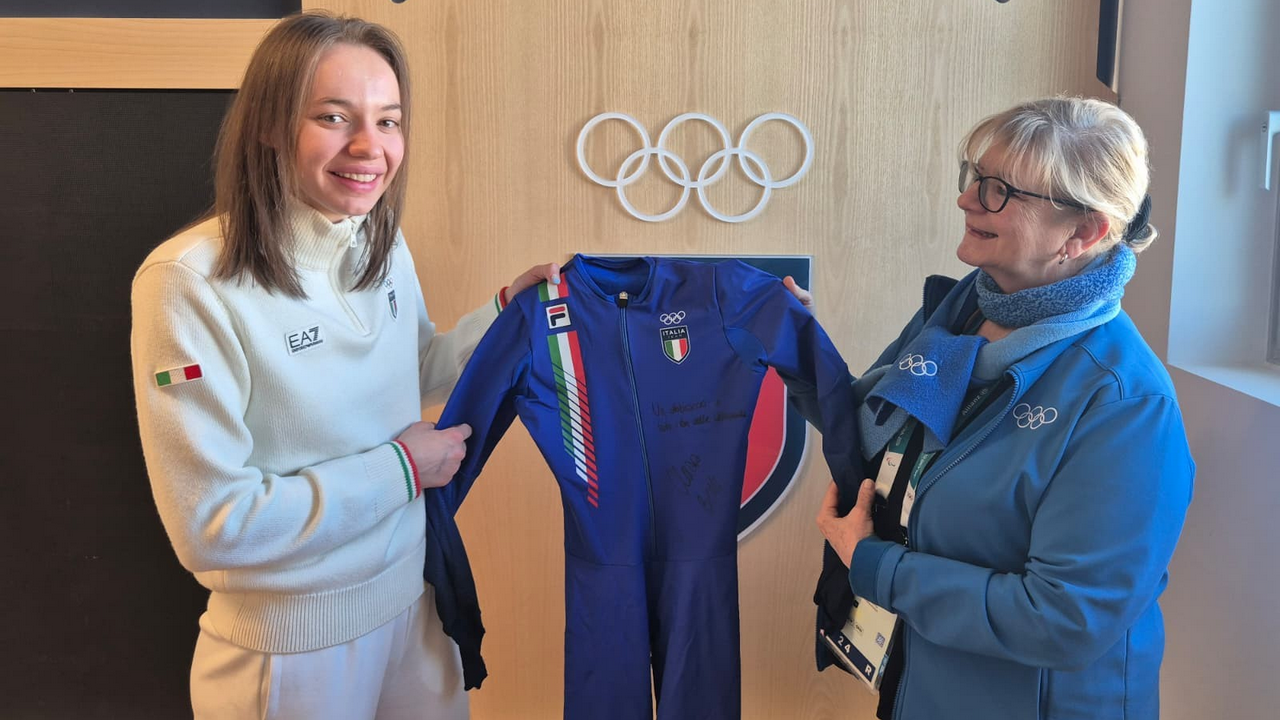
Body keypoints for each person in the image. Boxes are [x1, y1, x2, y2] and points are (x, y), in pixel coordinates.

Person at [129, 12, 557, 719]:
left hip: (414, 603)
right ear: (269, 125)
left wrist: (510, 310)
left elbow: (418, 366)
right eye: (334, 117)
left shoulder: (380, 245)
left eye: (388, 121)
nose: (370, 147)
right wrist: (401, 470)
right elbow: (212, 523)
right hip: (293, 651)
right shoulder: (189, 282)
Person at [806, 97, 1194, 720]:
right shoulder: (963, 309)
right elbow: (877, 429)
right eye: (972, 176)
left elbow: (1065, 619)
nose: (966, 200)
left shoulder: (1123, 402)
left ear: (1085, 231)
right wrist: (797, 348)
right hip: (922, 680)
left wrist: (873, 564)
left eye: (998, 190)